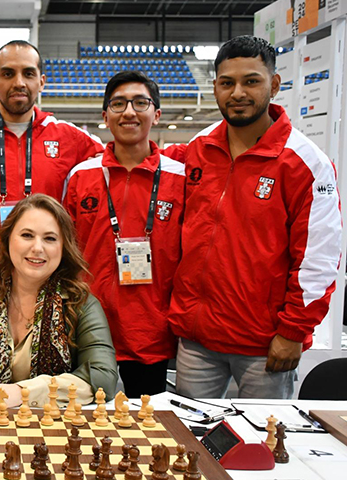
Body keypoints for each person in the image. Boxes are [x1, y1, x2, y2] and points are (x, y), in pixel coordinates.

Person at [165, 36, 342, 399]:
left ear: (274, 85)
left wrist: (293, 331)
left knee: (260, 448)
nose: (238, 93)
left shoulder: (305, 163)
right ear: (215, 87)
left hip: (264, 345)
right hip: (197, 341)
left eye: (251, 81)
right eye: (227, 83)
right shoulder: (198, 150)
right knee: (189, 446)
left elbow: (319, 259)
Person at [64, 71, 184, 398]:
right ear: (105, 117)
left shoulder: (180, 178)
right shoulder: (81, 176)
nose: (129, 112)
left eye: (140, 102)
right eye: (118, 104)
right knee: (86, 427)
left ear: (156, 114)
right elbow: (65, 252)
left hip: (152, 330)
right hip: (89, 326)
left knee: (146, 430)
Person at [0, 40, 104, 276]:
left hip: (47, 281)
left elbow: (125, 162)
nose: (19, 83)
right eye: (8, 74)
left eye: (28, 73)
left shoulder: (73, 140)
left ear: (41, 81)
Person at [0, 194, 118, 407]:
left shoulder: (81, 303)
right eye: (27, 235)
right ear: (7, 240)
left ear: (64, 248)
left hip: (55, 427)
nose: (37, 248)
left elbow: (103, 379)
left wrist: (22, 392)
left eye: (50, 238)